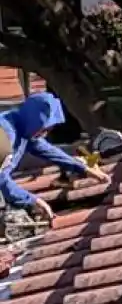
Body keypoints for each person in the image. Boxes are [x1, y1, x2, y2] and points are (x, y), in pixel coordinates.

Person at [0, 93, 109, 229]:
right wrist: (33, 200)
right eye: (44, 129)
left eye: (49, 130)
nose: (45, 134)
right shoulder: (6, 134)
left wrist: (83, 169)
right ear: (34, 121)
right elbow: (1, 178)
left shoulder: (24, 129)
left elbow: (49, 151)